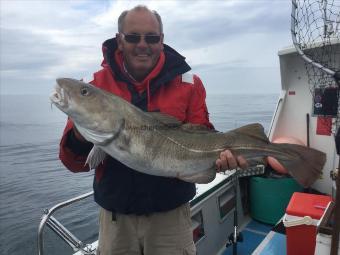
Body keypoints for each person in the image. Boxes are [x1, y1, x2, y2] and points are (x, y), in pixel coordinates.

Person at [59, 5, 247, 255]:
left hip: (171, 219)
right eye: (133, 37)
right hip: (116, 221)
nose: (142, 44)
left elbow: (203, 136)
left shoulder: (188, 85)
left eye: (151, 37)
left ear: (161, 41)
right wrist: (81, 137)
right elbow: (74, 163)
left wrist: (220, 159)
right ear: (120, 40)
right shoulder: (95, 87)